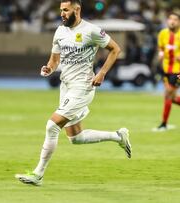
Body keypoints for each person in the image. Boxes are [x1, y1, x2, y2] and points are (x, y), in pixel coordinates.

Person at [15, 0, 132, 186]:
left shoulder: (91, 30)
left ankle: (38, 174)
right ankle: (118, 136)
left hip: (82, 87)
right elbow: (54, 59)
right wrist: (49, 68)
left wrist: (102, 73)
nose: (62, 13)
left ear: (77, 10)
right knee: (75, 138)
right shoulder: (60, 31)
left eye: (65, 10)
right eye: (61, 10)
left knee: (51, 126)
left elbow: (115, 49)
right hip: (66, 86)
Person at [154, 12, 180, 131]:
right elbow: (161, 47)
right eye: (170, 19)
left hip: (177, 70)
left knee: (168, 94)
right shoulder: (163, 33)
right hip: (165, 69)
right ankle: (164, 123)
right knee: (170, 97)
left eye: (175, 19)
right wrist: (160, 54)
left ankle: (164, 124)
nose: (172, 21)